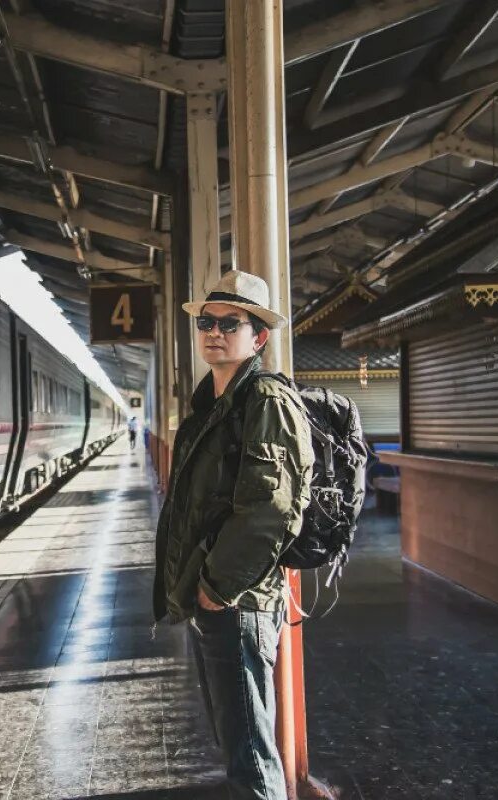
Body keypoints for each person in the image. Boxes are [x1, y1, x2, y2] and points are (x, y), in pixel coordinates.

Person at [153, 270, 313, 800]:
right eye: (206, 321)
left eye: (230, 323)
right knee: (237, 745)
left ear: (259, 337)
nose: (214, 331)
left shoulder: (265, 400)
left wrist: (215, 589)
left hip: (237, 602)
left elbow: (271, 508)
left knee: (249, 756)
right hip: (219, 599)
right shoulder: (212, 407)